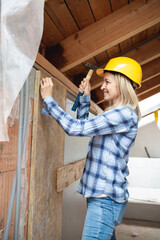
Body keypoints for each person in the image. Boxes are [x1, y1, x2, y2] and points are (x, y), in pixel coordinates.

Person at [40, 56, 142, 240]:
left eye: (107, 82)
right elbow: (84, 126)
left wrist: (48, 99)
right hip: (103, 198)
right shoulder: (117, 114)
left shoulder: (123, 114)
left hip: (105, 200)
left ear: (122, 83)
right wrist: (86, 98)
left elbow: (74, 129)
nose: (102, 86)